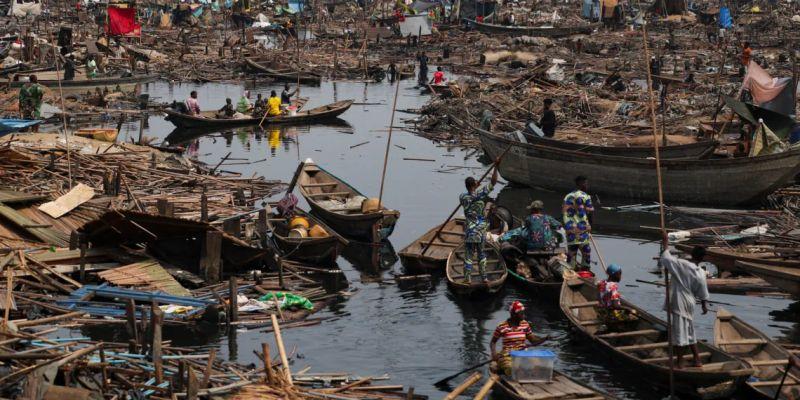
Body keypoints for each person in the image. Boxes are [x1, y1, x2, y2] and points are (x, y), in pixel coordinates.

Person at [661, 246, 710, 368]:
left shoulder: (682, 265)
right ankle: (697, 359)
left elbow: (665, 258)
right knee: (689, 330)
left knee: (680, 333)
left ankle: (680, 362)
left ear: (692, 254)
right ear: (703, 258)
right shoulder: (701, 272)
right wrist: (704, 306)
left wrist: (666, 244)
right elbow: (703, 293)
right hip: (690, 303)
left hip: (680, 302)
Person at [459, 165, 499, 283]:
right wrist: (496, 166)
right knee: (481, 254)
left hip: (470, 231)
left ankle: (467, 278)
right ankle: (484, 278)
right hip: (481, 230)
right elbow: (494, 181)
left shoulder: (462, 197)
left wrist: (475, 186)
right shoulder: (480, 194)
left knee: (469, 256)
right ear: (474, 185)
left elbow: (470, 194)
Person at [490, 301, 549, 376]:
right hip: (507, 355)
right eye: (521, 314)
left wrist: (545, 338)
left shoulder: (525, 324)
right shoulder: (502, 326)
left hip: (523, 353)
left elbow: (533, 340)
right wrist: (494, 353)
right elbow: (493, 342)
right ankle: (504, 368)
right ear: (514, 315)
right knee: (511, 369)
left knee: (538, 366)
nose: (524, 316)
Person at [563, 176, 594, 270]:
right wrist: (590, 226)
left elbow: (564, 212)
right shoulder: (585, 196)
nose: (586, 185)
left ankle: (570, 273)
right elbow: (591, 211)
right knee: (586, 251)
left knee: (572, 253)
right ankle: (585, 272)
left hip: (570, 230)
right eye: (585, 183)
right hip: (582, 230)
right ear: (581, 184)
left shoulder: (568, 196)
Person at [597, 263, 637, 330]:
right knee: (634, 317)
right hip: (610, 314)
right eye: (619, 274)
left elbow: (598, 297)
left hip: (602, 312)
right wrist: (627, 308)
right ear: (614, 275)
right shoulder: (613, 287)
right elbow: (615, 306)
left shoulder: (601, 283)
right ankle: (619, 330)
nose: (620, 276)